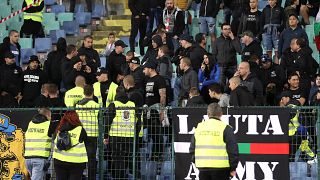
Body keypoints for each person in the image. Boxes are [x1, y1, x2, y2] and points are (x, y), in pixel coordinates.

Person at [189, 103, 239, 179]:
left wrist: (198, 163)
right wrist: (233, 168)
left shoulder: (199, 127)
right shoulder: (226, 128)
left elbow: (192, 149)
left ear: (208, 114)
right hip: (222, 169)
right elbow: (233, 150)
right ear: (221, 114)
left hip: (203, 168)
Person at [105, 86, 140, 179]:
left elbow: (107, 121)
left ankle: (119, 178)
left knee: (117, 161)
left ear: (116, 94)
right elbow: (138, 122)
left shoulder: (113, 104)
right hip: (129, 137)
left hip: (115, 137)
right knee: (127, 160)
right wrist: (135, 134)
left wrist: (105, 136)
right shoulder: (132, 104)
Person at [53, 111, 88, 180]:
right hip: (76, 162)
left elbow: (54, 140)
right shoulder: (80, 129)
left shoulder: (59, 129)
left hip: (59, 160)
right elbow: (87, 142)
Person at [143, 60, 167, 161]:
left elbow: (163, 95)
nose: (143, 71)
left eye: (145, 69)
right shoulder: (148, 80)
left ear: (151, 69)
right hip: (149, 110)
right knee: (152, 134)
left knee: (157, 134)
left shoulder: (159, 79)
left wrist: (162, 112)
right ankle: (153, 154)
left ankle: (158, 154)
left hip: (156, 110)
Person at [76, 85, 99, 180]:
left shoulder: (77, 105)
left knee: (80, 158)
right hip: (92, 135)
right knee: (91, 159)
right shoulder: (96, 106)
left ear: (83, 93)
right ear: (93, 93)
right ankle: (91, 178)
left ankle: (80, 176)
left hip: (81, 135)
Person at [24, 108, 55, 180]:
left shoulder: (30, 123)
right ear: (47, 115)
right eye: (50, 116)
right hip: (39, 159)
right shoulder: (48, 124)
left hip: (28, 159)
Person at [260, 0, 284, 64]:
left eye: (272, 0)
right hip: (266, 31)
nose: (270, 1)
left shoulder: (280, 9)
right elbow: (261, 21)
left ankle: (277, 66)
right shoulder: (265, 9)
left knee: (277, 50)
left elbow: (284, 20)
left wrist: (280, 29)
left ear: (276, 0)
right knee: (268, 50)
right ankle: (269, 66)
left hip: (276, 31)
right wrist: (263, 31)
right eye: (269, 0)